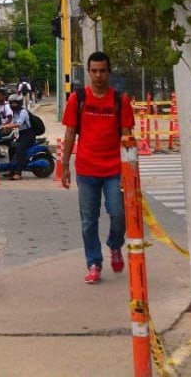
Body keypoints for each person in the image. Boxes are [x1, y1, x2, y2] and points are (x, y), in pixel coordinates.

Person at [61, 51, 136, 285]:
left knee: (118, 214)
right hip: (86, 169)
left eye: (102, 70)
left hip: (114, 169)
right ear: (88, 72)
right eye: (94, 71)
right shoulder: (78, 98)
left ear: (109, 72)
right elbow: (70, 132)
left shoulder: (120, 100)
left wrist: (130, 172)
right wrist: (64, 165)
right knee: (88, 220)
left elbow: (127, 136)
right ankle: (93, 263)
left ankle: (115, 245)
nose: (98, 75)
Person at [1, 93, 35, 180]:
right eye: (11, 103)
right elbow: (11, 122)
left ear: (19, 103)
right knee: (11, 147)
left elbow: (18, 124)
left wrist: (6, 126)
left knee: (19, 149)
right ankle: (12, 170)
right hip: (21, 135)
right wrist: (1, 125)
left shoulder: (23, 112)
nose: (13, 105)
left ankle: (19, 174)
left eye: (15, 103)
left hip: (29, 135)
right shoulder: (15, 112)